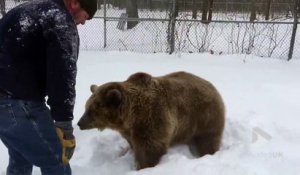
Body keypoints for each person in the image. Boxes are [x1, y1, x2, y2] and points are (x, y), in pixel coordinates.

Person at [0, 0, 97, 174]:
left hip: (6, 102)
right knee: (57, 159)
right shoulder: (60, 19)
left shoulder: (27, 9)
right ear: (74, 4)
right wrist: (64, 123)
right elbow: (63, 73)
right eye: (86, 17)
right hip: (18, 103)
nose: (83, 22)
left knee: (21, 156)